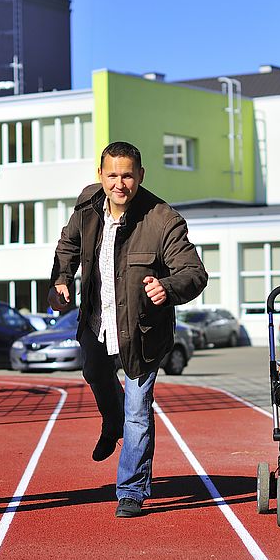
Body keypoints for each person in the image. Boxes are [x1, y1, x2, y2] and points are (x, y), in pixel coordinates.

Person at [48, 141, 208, 519]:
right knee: (93, 373)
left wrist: (166, 288)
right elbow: (67, 246)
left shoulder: (163, 219)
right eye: (112, 175)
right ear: (100, 175)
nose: (120, 183)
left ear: (141, 175)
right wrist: (60, 279)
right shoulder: (88, 206)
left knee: (138, 409)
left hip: (142, 333)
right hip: (96, 322)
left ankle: (132, 489)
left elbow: (194, 273)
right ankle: (111, 421)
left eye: (128, 175)